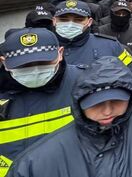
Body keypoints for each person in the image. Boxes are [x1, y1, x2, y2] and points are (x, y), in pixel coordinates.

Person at [6, 56, 132, 177]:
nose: (107, 111)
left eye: (117, 101)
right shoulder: (34, 162)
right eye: (96, 104)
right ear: (79, 103)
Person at [0, 28, 82, 176]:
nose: (35, 70)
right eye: (23, 65)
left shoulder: (84, 83)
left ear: (60, 53)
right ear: (4, 62)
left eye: (44, 62)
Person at [52, 0, 132, 67]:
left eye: (78, 20)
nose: (70, 24)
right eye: (63, 20)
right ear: (54, 21)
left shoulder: (112, 46)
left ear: (89, 22)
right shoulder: (42, 47)